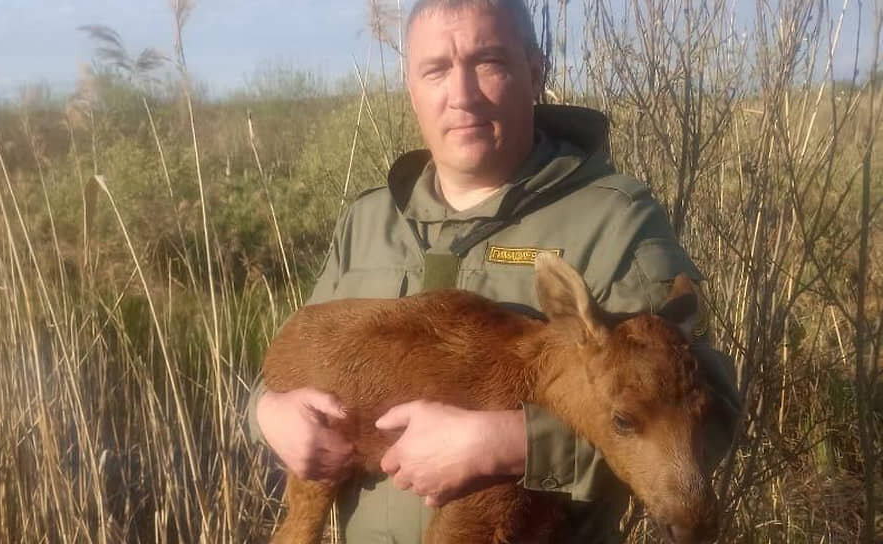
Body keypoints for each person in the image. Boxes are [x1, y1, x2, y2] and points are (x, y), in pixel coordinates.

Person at [248, 0, 742, 541]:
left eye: (488, 63)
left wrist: (512, 443)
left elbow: (709, 420)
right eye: (435, 70)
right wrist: (266, 413)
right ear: (411, 87)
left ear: (535, 72)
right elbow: (299, 359)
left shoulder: (611, 218)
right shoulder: (369, 219)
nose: (461, 95)